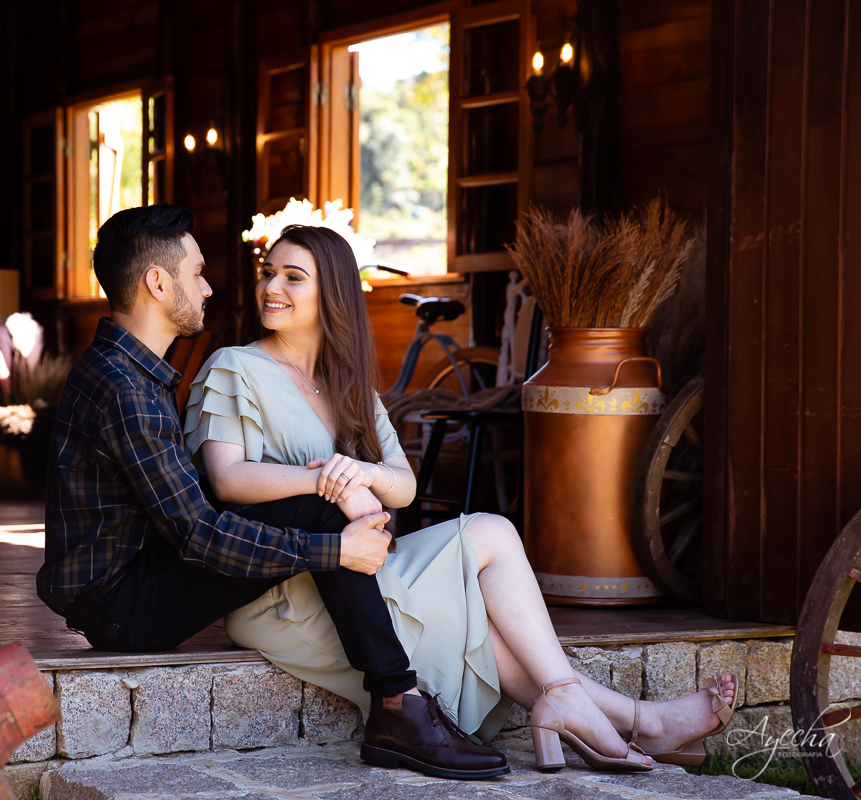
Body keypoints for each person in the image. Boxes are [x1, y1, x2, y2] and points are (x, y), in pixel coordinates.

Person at [183, 223, 737, 773]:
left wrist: (363, 472)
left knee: (494, 531)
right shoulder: (237, 366)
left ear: (332, 293)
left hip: (364, 567)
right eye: (268, 273)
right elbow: (229, 480)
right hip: (286, 585)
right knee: (478, 610)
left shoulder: (348, 384)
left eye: (292, 277)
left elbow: (404, 485)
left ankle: (576, 700)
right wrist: (331, 477)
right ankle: (638, 720)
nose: (271, 287)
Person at [39, 204, 510, 780]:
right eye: (196, 273)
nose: (209, 287)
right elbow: (200, 534)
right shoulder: (123, 387)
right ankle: (396, 703)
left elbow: (198, 520)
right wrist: (334, 550)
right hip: (123, 608)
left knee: (323, 503)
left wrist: (338, 497)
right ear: (158, 283)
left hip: (141, 575)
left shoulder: (137, 372)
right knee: (324, 510)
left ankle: (397, 707)